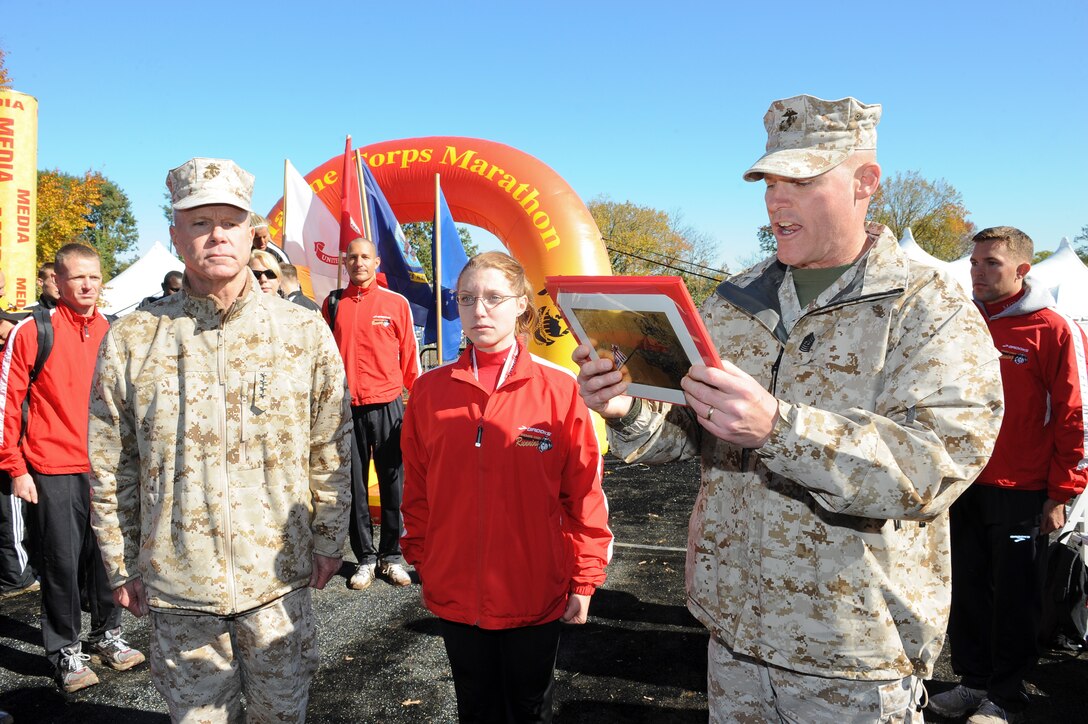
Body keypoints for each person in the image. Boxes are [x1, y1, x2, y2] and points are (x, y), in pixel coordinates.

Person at [575, 94, 1005, 722]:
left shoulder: (928, 307)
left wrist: (779, 428)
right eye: (769, 182)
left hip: (852, 650)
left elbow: (934, 465)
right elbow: (693, 435)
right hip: (735, 634)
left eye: (800, 181)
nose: (776, 201)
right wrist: (625, 410)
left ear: (865, 183)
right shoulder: (733, 301)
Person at [88, 157, 351, 722]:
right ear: (176, 236)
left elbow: (330, 442)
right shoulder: (135, 338)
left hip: (277, 583)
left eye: (228, 222)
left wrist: (331, 539)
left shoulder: (301, 331)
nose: (216, 235)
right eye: (199, 222)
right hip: (179, 589)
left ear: (251, 231)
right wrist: (120, 564)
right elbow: (112, 464)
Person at [402, 251, 612, 722]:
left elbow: (583, 495)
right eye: (468, 298)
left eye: (494, 298)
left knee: (530, 709)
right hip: (455, 587)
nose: (479, 310)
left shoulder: (560, 389)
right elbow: (416, 487)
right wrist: (421, 558)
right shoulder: (429, 390)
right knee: (475, 708)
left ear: (520, 304)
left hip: (533, 590)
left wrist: (585, 577)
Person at [926, 226, 1088, 724]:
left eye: (991, 263)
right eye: (974, 262)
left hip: (1023, 492)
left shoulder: (1053, 329)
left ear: (1022, 269)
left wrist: (1061, 493)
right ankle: (974, 683)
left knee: (1014, 598)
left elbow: (1075, 415)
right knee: (967, 592)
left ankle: (1006, 695)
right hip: (962, 484)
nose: (977, 271)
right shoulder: (963, 322)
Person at [0, 244, 144, 692]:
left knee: (108, 562)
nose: (87, 285)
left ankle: (107, 635)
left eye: (95, 277)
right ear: (57, 282)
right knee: (60, 565)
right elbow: (8, 402)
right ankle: (64, 649)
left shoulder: (115, 331)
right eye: (77, 277)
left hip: (107, 470)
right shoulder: (32, 330)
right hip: (52, 467)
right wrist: (15, 467)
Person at [322, 237, 419, 590]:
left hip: (389, 405)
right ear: (344, 262)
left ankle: (391, 557)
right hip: (347, 410)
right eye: (352, 257)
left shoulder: (395, 303)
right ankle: (364, 558)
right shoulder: (333, 303)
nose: (358, 262)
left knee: (394, 485)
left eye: (365, 256)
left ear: (376, 261)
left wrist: (417, 405)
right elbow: (325, 359)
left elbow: (410, 355)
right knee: (355, 487)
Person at [0, 267, 36, 601]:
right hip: (9, 438)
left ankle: (16, 573)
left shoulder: (16, 328)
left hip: (11, 434)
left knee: (11, 511)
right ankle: (16, 575)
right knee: (10, 512)